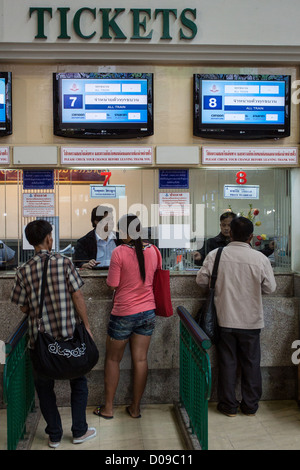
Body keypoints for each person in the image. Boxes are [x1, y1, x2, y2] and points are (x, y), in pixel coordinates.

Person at [10, 220, 96, 448]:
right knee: (79, 381)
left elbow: (23, 307)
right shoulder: (65, 263)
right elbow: (77, 296)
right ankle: (79, 431)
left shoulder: (23, 270)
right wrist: (86, 326)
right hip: (69, 335)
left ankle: (55, 435)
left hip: (40, 342)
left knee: (44, 387)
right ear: (49, 238)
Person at [196, 216, 276, 417]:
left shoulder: (216, 254)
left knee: (227, 363)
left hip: (224, 319)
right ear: (251, 236)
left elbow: (201, 280)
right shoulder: (260, 259)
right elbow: (270, 288)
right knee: (251, 364)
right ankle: (250, 406)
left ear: (230, 232)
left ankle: (229, 405)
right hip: (251, 321)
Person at [93, 214, 161, 419]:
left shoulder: (119, 252)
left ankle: (108, 408)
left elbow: (112, 284)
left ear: (125, 232)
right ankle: (135, 408)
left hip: (123, 313)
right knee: (140, 359)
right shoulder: (154, 251)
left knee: (113, 360)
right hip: (148, 312)